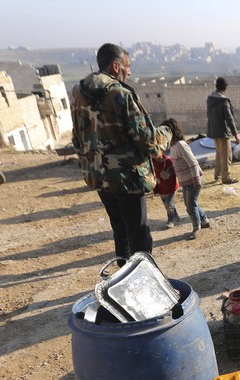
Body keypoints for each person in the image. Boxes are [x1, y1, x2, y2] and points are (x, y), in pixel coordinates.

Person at [71, 43, 169, 264]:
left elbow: (77, 137)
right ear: (116, 66)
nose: (129, 71)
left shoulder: (78, 92)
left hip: (98, 176)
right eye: (128, 66)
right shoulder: (120, 94)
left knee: (120, 232)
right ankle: (143, 283)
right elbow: (149, 141)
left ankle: (123, 280)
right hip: (127, 179)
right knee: (139, 235)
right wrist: (168, 132)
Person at [159, 118, 210, 241]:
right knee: (191, 204)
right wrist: (169, 171)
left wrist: (196, 180)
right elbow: (178, 163)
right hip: (186, 181)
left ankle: (196, 228)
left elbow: (192, 163)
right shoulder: (173, 146)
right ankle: (204, 220)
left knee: (190, 206)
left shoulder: (181, 144)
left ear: (171, 132)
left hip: (192, 181)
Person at [206, 76, 240, 185]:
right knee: (226, 155)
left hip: (214, 131)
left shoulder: (210, 98)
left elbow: (208, 115)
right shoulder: (223, 101)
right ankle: (226, 177)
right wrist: (236, 134)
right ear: (225, 87)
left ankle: (217, 175)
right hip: (223, 131)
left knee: (219, 154)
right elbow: (229, 118)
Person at [152, 150, 179, 229]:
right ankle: (176, 216)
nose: (154, 155)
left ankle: (171, 219)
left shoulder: (168, 161)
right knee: (166, 203)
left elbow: (175, 172)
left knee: (168, 203)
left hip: (170, 186)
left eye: (156, 153)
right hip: (161, 186)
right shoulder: (152, 162)